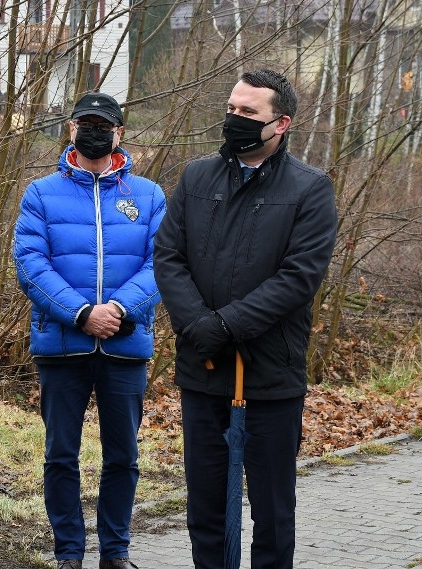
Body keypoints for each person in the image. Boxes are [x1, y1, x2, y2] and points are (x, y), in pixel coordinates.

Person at [153, 69, 338, 569]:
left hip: (270, 374)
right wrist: (199, 326)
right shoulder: (196, 177)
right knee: (205, 507)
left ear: (280, 124)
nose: (233, 119)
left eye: (248, 112)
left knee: (273, 513)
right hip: (203, 368)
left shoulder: (311, 190)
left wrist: (228, 325)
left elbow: (298, 278)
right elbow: (169, 257)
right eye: (231, 108)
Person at [13, 92, 166, 569]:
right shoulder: (40, 193)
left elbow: (162, 263)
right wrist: (81, 314)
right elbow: (31, 264)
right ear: (72, 129)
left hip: (125, 345)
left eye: (105, 124)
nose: (95, 131)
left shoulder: (149, 195)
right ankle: (69, 554)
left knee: (123, 457)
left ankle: (115, 553)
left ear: (119, 133)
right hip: (62, 345)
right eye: (86, 123)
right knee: (61, 456)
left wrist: (119, 309)